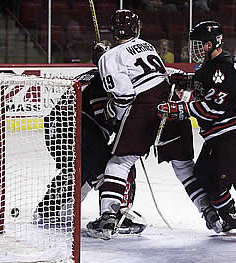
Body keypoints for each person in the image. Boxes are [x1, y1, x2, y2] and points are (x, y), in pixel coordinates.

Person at [86, 10, 225, 240]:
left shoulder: (108, 57)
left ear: (113, 30)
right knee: (184, 166)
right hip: (170, 101)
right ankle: (208, 210)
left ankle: (108, 218)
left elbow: (123, 96)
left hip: (143, 106)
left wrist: (114, 113)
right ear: (137, 29)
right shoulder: (147, 46)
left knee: (120, 163)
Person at [33, 62, 147, 235]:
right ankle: (114, 216)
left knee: (82, 169)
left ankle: (49, 209)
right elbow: (107, 115)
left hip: (59, 130)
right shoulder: (104, 80)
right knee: (117, 166)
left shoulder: (95, 75)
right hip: (77, 130)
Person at [158, 21, 236, 233]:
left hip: (234, 134)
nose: (195, 48)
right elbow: (205, 84)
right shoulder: (212, 66)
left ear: (211, 44)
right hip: (221, 136)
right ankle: (231, 219)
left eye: (199, 44)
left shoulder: (223, 67)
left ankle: (231, 217)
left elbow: (214, 108)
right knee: (205, 175)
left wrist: (178, 109)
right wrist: (187, 81)